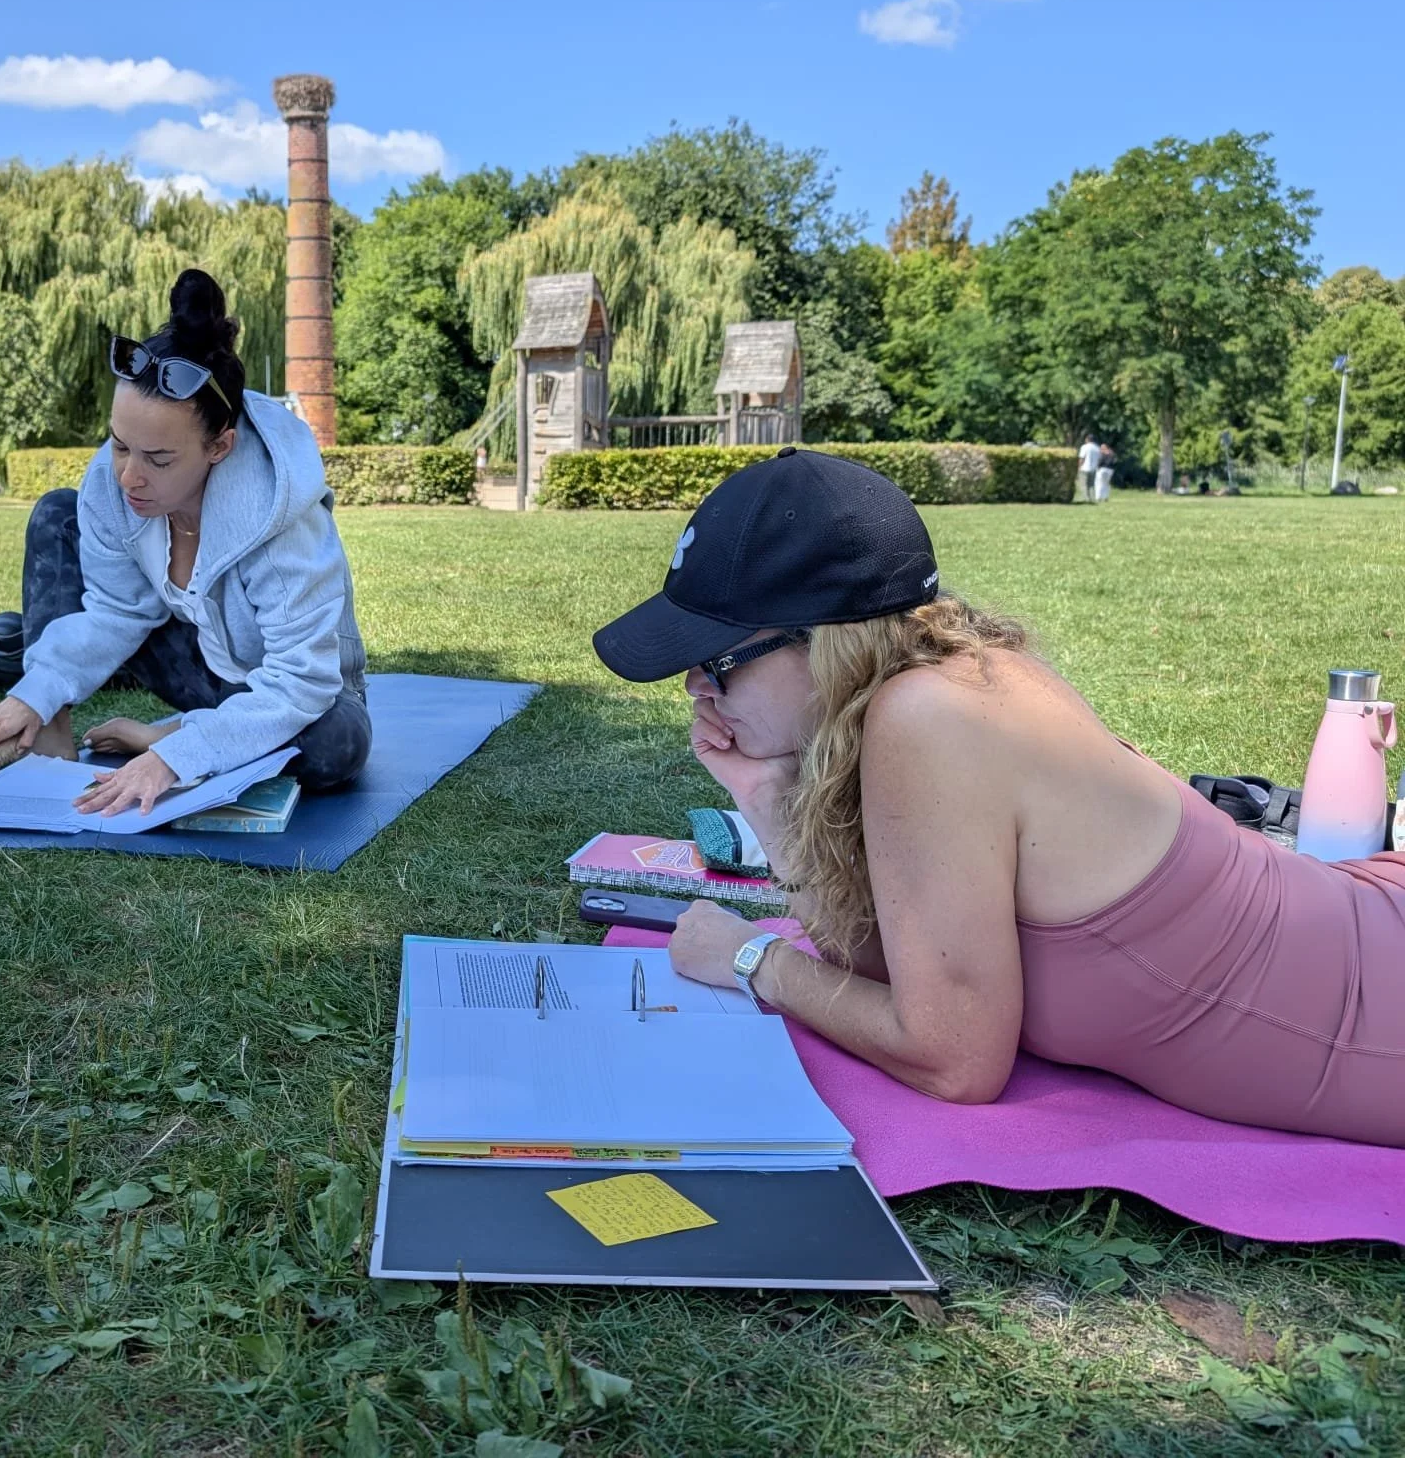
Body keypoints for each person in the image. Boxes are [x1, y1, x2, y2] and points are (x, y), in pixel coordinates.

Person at [592, 449, 1405, 1146]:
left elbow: (950, 1058)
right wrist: (767, 793)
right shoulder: (945, 682)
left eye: (717, 661)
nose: (695, 687)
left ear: (826, 641)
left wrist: (752, 959)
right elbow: (890, 968)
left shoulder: (928, 718)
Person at [0, 268, 371, 816]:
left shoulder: (279, 520)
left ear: (219, 446)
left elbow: (300, 683)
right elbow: (117, 610)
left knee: (335, 746)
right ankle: (45, 737)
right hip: (202, 668)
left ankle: (170, 733)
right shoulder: (113, 481)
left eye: (159, 459)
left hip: (297, 689)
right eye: (121, 446)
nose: (128, 477)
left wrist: (175, 755)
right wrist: (37, 692)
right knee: (58, 513)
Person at [1077, 436, 1101, 502]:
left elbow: (1082, 458)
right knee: (1091, 485)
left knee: (1083, 484)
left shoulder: (1084, 447)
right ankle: (1092, 498)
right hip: (1093, 469)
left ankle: (1086, 498)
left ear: (1087, 439)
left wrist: (1079, 466)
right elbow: (1099, 459)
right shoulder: (1097, 448)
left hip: (1084, 468)